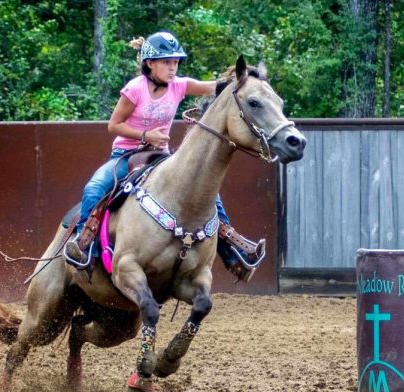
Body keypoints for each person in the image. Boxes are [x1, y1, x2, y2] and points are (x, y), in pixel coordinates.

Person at [65, 31, 265, 282]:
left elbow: (217, 87)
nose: (173, 68)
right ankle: (84, 245)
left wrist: (246, 80)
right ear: (150, 64)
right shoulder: (135, 89)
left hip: (161, 156)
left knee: (208, 194)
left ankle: (234, 252)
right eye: (166, 62)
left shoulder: (179, 85)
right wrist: (146, 135)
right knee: (95, 187)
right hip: (126, 154)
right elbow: (114, 125)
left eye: (175, 62)